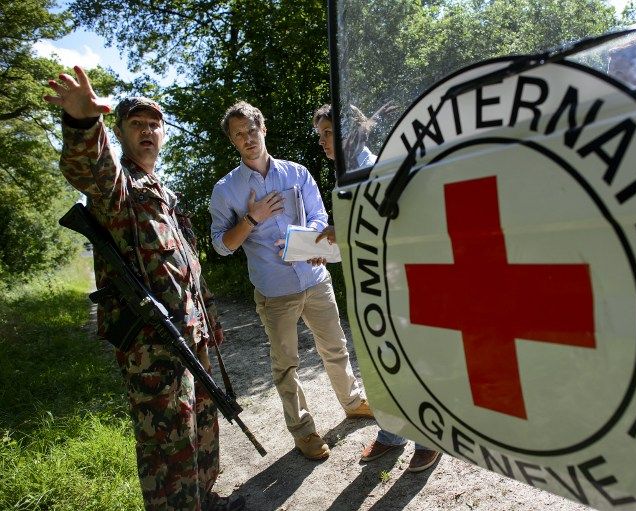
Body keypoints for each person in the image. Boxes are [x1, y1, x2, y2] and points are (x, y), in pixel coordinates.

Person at [43, 66, 243, 511]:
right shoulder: (118, 188)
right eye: (137, 124)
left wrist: (209, 316)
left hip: (190, 331)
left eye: (155, 124)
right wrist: (82, 123)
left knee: (201, 423)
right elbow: (88, 169)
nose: (148, 131)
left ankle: (205, 498)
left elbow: (186, 264)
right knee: (167, 442)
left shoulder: (163, 193)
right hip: (152, 343)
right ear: (121, 133)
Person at [209, 101, 374, 461]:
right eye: (239, 135)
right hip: (275, 290)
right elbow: (221, 246)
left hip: (315, 277)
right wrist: (251, 219)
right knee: (286, 363)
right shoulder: (227, 190)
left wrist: (308, 239)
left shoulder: (296, 173)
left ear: (263, 128)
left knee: (335, 346)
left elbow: (318, 215)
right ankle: (303, 431)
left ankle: (353, 402)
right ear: (233, 142)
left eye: (252, 130)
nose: (248, 139)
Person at [312, 104, 441, 473]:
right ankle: (391, 435)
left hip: (399, 280)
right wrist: (327, 249)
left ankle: (427, 439)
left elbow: (395, 226)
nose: (323, 142)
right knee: (379, 360)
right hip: (369, 283)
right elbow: (353, 235)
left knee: (411, 359)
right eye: (319, 136)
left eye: (328, 133)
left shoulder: (378, 166)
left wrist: (344, 233)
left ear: (351, 130)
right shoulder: (345, 174)